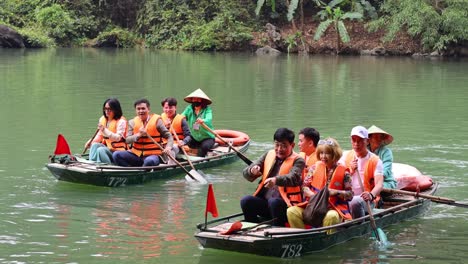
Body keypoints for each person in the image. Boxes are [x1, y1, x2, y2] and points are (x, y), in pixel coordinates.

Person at [240, 128, 305, 227]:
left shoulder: (298, 160)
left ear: (292, 145)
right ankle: (252, 227)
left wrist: (276, 180)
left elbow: (293, 177)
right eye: (277, 145)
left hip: (286, 206)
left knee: (274, 202)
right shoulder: (269, 154)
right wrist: (252, 170)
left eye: (283, 146)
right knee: (246, 201)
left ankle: (276, 230)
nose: (279, 149)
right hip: (266, 203)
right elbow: (246, 173)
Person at [287, 138, 353, 231]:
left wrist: (335, 192)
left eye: (327, 153)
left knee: (332, 216)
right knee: (291, 211)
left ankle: (326, 239)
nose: (323, 156)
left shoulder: (345, 173)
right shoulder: (314, 168)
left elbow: (350, 195)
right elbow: (304, 187)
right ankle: (302, 237)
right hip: (313, 207)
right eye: (321, 153)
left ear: (334, 154)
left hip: (332, 208)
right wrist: (314, 195)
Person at [338, 125, 384, 219]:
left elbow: (379, 184)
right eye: (354, 140)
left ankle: (358, 224)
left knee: (355, 202)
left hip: (365, 199)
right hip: (346, 196)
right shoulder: (345, 156)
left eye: (360, 140)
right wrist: (350, 171)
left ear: (367, 141)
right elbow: (337, 179)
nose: (356, 143)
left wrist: (371, 195)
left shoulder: (375, 160)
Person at [112, 98, 174, 167]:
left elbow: (169, 136)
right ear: (136, 110)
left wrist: (168, 147)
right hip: (136, 155)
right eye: (138, 109)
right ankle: (132, 170)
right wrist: (139, 135)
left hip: (153, 155)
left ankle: (141, 170)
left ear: (148, 109)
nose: (141, 111)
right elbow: (127, 140)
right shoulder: (132, 122)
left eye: (143, 108)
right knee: (116, 155)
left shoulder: (157, 121)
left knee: (149, 161)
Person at [85, 98, 127, 164]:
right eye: (105, 109)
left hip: (118, 151)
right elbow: (100, 136)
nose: (107, 111)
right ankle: (91, 164)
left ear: (115, 110)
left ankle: (108, 166)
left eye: (110, 109)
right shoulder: (103, 119)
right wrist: (90, 142)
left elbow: (117, 138)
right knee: (94, 145)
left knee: (101, 150)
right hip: (108, 148)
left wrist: (104, 130)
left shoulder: (121, 122)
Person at [181, 88, 215, 157]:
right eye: (194, 99)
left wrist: (203, 120)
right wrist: (177, 119)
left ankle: (200, 160)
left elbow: (209, 118)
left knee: (204, 147)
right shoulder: (189, 108)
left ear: (202, 100)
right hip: (194, 137)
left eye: (198, 99)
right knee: (183, 143)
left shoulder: (207, 109)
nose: (196, 101)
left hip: (207, 137)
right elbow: (182, 116)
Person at [368, 125, 397, 189]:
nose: (379, 139)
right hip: (368, 180)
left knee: (375, 187)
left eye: (380, 137)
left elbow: (385, 170)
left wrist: (375, 181)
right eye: (376, 137)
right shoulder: (365, 151)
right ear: (369, 139)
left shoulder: (386, 152)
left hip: (386, 182)